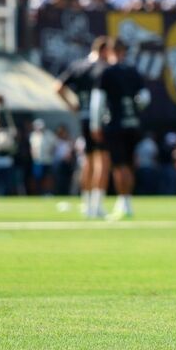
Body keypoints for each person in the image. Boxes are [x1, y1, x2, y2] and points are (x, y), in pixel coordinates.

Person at [91, 38, 150, 220]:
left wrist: (95, 125)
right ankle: (126, 202)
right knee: (129, 164)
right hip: (132, 124)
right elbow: (145, 98)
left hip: (115, 124)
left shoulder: (106, 72)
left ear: (109, 51)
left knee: (119, 166)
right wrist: (135, 110)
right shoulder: (133, 71)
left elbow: (98, 101)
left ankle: (124, 203)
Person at [56, 37, 110, 217]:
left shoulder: (78, 66)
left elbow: (58, 87)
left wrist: (72, 106)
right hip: (100, 119)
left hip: (83, 117)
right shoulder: (103, 68)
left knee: (87, 160)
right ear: (104, 50)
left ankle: (86, 203)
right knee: (102, 161)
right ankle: (97, 205)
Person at [28, 119, 57, 196]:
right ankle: (38, 192)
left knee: (47, 177)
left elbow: (54, 146)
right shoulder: (33, 135)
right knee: (37, 178)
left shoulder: (49, 134)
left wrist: (50, 153)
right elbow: (32, 148)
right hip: (37, 161)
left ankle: (47, 192)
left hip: (47, 160)